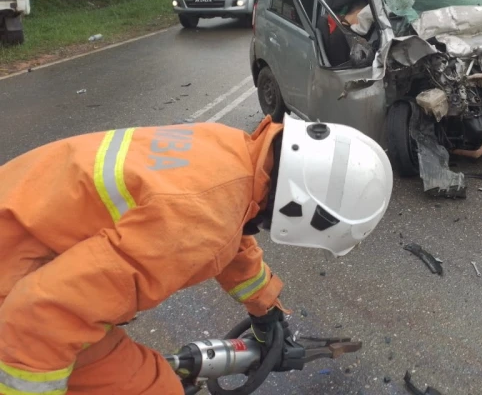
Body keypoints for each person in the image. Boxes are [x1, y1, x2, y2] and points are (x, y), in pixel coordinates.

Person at [0, 114, 392, 395]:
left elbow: (227, 232)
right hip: (17, 297)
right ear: (306, 212)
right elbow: (37, 319)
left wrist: (265, 308)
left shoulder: (227, 153)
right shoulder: (199, 219)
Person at [318, 0, 374, 66]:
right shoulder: (338, 37)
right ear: (355, 10)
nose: (368, 18)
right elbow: (341, 69)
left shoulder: (353, 31)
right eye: (363, 11)